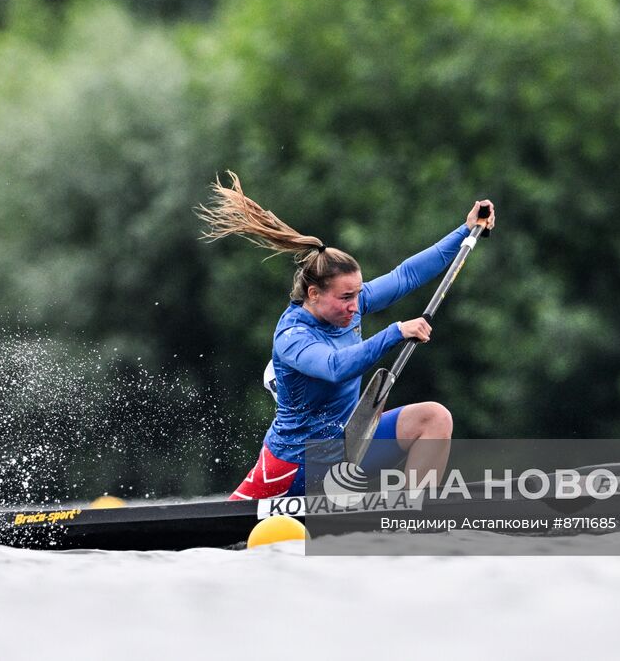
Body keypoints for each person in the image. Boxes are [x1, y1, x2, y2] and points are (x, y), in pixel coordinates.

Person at [196, 172, 496, 500]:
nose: (356, 306)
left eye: (357, 294)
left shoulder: (351, 304)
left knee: (434, 418)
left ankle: (411, 515)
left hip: (348, 446)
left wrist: (465, 230)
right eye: (345, 298)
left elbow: (407, 275)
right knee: (210, 534)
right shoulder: (292, 337)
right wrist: (395, 331)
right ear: (313, 294)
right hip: (294, 466)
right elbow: (336, 367)